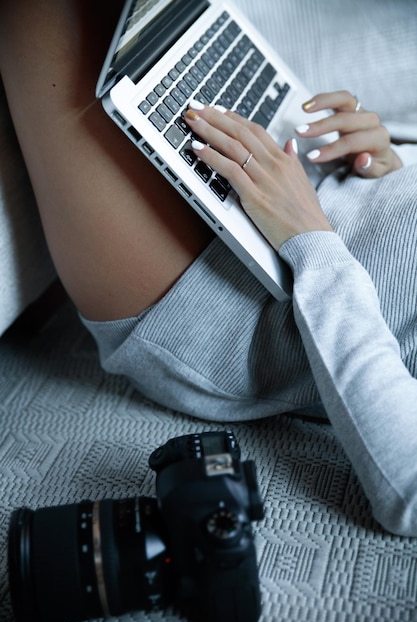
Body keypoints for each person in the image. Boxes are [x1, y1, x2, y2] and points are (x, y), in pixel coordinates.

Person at [1, 1, 417, 537]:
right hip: (304, 177)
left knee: (35, 13)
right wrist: (389, 160)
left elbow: (407, 485)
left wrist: (308, 238)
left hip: (229, 303)